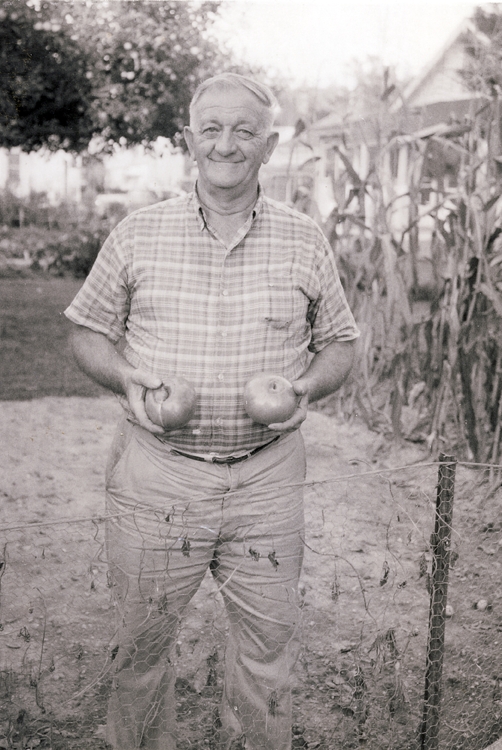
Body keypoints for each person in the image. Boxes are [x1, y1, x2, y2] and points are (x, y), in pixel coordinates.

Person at [65, 73, 359, 750]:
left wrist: (308, 388)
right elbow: (85, 331)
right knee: (140, 650)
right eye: (213, 129)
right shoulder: (138, 233)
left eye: (245, 130)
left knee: (266, 654)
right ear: (188, 139)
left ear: (270, 144)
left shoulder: (304, 238)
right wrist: (124, 375)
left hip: (267, 480)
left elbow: (340, 343)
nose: (227, 144)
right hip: (158, 475)